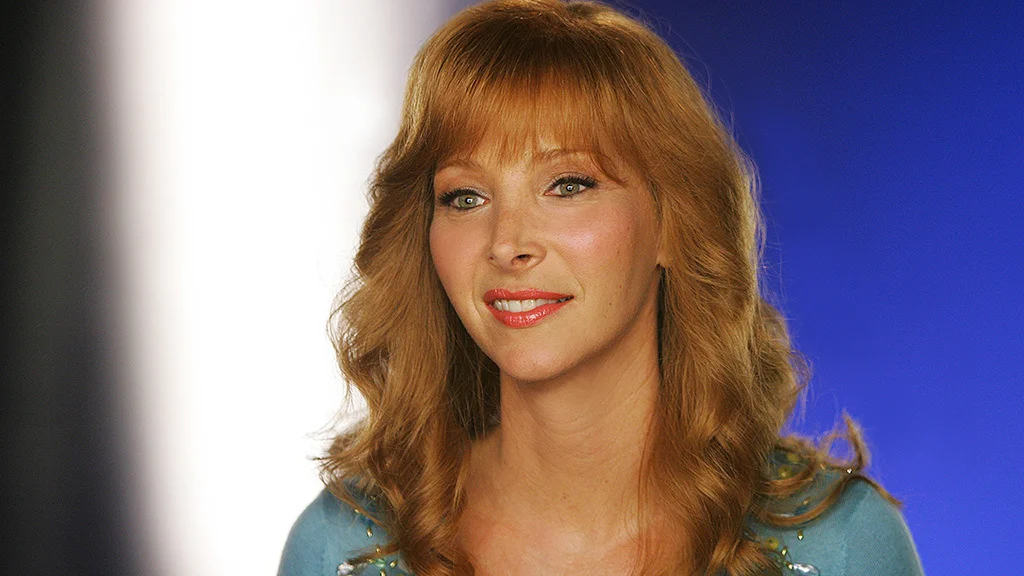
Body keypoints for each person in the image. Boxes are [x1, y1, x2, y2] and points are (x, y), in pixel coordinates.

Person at [279, 1, 924, 575]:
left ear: (672, 224)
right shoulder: (342, 549)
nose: (506, 243)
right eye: (465, 196)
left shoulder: (840, 546)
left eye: (568, 185)